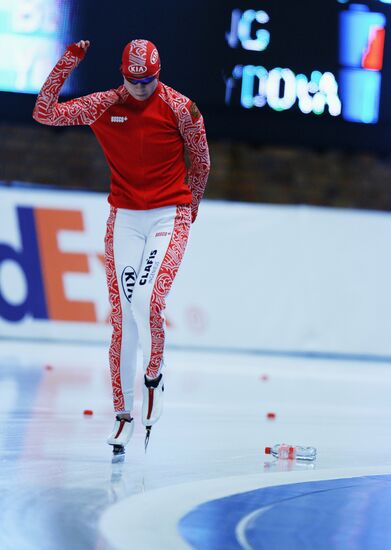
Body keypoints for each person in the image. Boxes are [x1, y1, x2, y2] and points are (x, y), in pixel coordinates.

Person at [33, 38, 210, 459]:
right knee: (123, 316)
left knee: (149, 301)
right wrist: (68, 62)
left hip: (170, 214)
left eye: (149, 81)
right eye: (134, 82)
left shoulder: (182, 108)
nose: (142, 89)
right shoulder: (102, 105)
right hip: (126, 219)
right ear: (122, 75)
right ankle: (122, 413)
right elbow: (45, 112)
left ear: (159, 73)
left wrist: (191, 210)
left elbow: (201, 161)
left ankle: (153, 376)